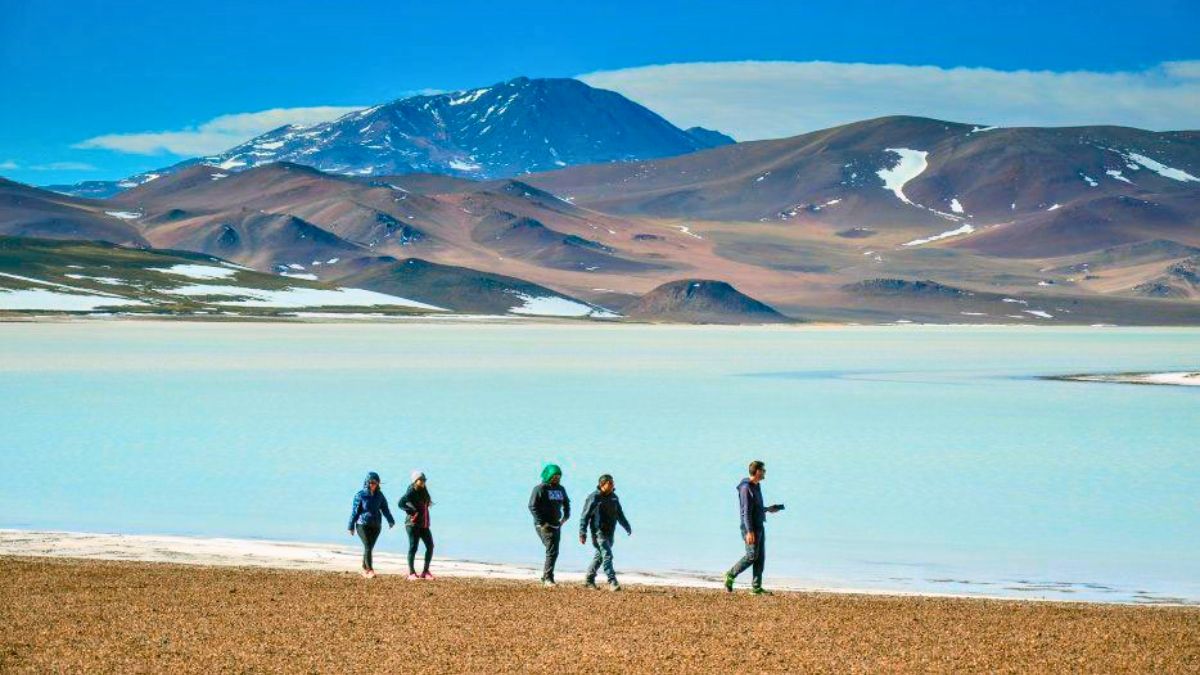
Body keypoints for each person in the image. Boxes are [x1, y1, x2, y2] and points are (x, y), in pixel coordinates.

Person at [724, 460, 783, 595]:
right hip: (750, 528)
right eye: (763, 470)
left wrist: (767, 509)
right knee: (751, 556)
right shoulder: (746, 488)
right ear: (757, 471)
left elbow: (755, 509)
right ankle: (730, 575)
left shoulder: (756, 486)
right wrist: (749, 531)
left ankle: (756, 588)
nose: (765, 473)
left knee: (760, 557)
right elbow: (745, 511)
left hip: (759, 525)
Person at [578, 473, 632, 591]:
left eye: (613, 483)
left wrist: (626, 526)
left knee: (600, 557)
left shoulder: (614, 497)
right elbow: (585, 516)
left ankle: (589, 580)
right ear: (602, 484)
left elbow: (619, 514)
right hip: (598, 532)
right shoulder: (594, 497)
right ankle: (612, 581)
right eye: (610, 483)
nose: (613, 485)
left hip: (610, 532)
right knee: (607, 555)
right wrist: (582, 532)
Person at [528, 463, 570, 587]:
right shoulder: (539, 489)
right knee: (552, 550)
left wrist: (566, 516)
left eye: (558, 476)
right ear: (548, 475)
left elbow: (566, 502)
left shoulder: (560, 489)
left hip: (556, 524)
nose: (557, 479)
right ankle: (547, 579)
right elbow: (532, 506)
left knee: (554, 551)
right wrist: (541, 523)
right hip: (543, 525)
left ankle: (547, 577)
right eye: (554, 476)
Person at [347, 471, 395, 578]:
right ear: (366, 482)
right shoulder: (360, 495)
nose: (372, 484)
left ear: (378, 483)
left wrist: (390, 520)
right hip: (362, 524)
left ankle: (364, 568)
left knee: (368, 547)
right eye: (370, 482)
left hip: (376, 525)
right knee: (368, 545)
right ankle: (370, 570)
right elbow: (355, 511)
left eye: (374, 482)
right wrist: (350, 526)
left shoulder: (380, 495)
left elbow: (385, 509)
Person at [400, 470, 435, 581]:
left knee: (430, 546)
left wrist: (427, 503)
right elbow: (400, 504)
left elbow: (426, 503)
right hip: (412, 524)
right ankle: (411, 573)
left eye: (424, 480)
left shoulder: (424, 490)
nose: (423, 481)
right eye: (421, 480)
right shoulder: (411, 491)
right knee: (413, 547)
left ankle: (425, 571)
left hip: (424, 524)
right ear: (415, 481)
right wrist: (412, 511)